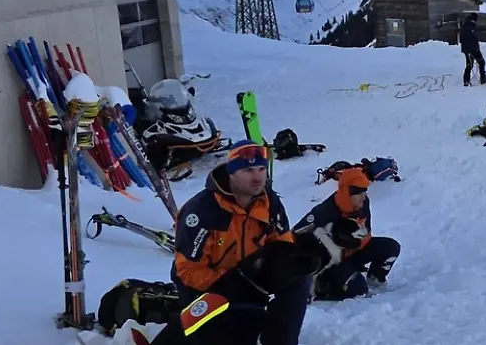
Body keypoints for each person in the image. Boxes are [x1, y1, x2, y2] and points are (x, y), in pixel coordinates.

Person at [166, 140, 321, 344]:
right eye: (248, 170)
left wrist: (295, 263)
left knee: (299, 280)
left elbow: (282, 246)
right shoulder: (202, 211)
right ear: (232, 173)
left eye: (260, 169)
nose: (257, 177)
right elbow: (187, 270)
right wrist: (233, 283)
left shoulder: (269, 202)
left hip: (248, 279)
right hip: (207, 286)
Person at [294, 165, 402, 300]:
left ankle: (375, 278)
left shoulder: (363, 203)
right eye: (359, 193)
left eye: (365, 192)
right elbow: (295, 234)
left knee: (391, 248)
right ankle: (325, 286)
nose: (364, 197)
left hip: (355, 252)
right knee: (358, 290)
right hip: (334, 262)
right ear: (347, 192)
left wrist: (353, 242)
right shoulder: (324, 212)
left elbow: (366, 231)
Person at [460, 12, 486, 86]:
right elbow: (468, 39)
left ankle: (467, 80)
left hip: (470, 49)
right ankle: (481, 79)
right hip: (471, 49)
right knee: (478, 63)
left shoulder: (467, 25)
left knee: (471, 64)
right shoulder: (469, 26)